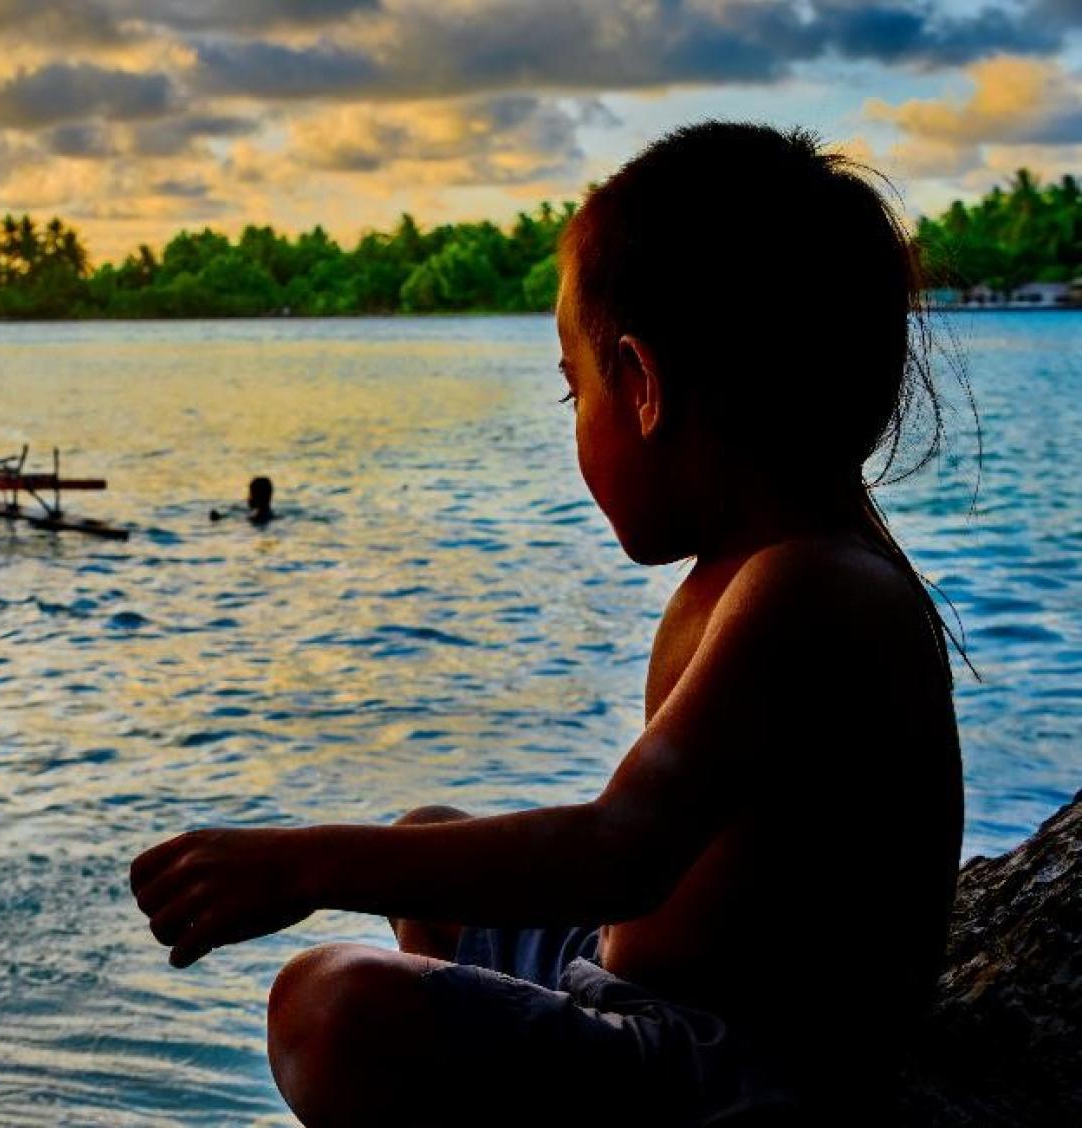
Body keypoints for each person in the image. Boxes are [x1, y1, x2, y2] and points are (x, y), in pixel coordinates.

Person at [131, 123, 966, 1124]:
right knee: (425, 846)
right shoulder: (767, 561)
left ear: (644, 386)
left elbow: (622, 849)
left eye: (575, 391)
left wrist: (309, 862)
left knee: (327, 1005)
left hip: (734, 1070)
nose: (572, 422)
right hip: (626, 982)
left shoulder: (808, 588)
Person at [208, 476, 275, 526]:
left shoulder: (258, 518)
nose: (248, 498)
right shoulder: (268, 513)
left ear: (258, 497)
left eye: (251, 494)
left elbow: (242, 519)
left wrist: (220, 518)